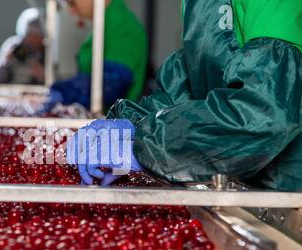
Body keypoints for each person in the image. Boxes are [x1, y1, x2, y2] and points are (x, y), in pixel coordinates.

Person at [67, 0, 302, 191]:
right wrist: (133, 121)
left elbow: (265, 113)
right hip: (234, 184)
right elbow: (185, 88)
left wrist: (146, 147)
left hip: (287, 190)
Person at [42, 0, 148, 114]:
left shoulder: (123, 26)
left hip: (115, 126)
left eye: (72, 3)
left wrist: (65, 91)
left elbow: (112, 84)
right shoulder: (107, 24)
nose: (71, 11)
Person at [0, 8, 45, 85]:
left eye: (36, 36)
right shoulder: (13, 45)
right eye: (29, 36)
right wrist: (4, 63)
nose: (32, 41)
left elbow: (54, 83)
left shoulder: (46, 52)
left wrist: (42, 74)